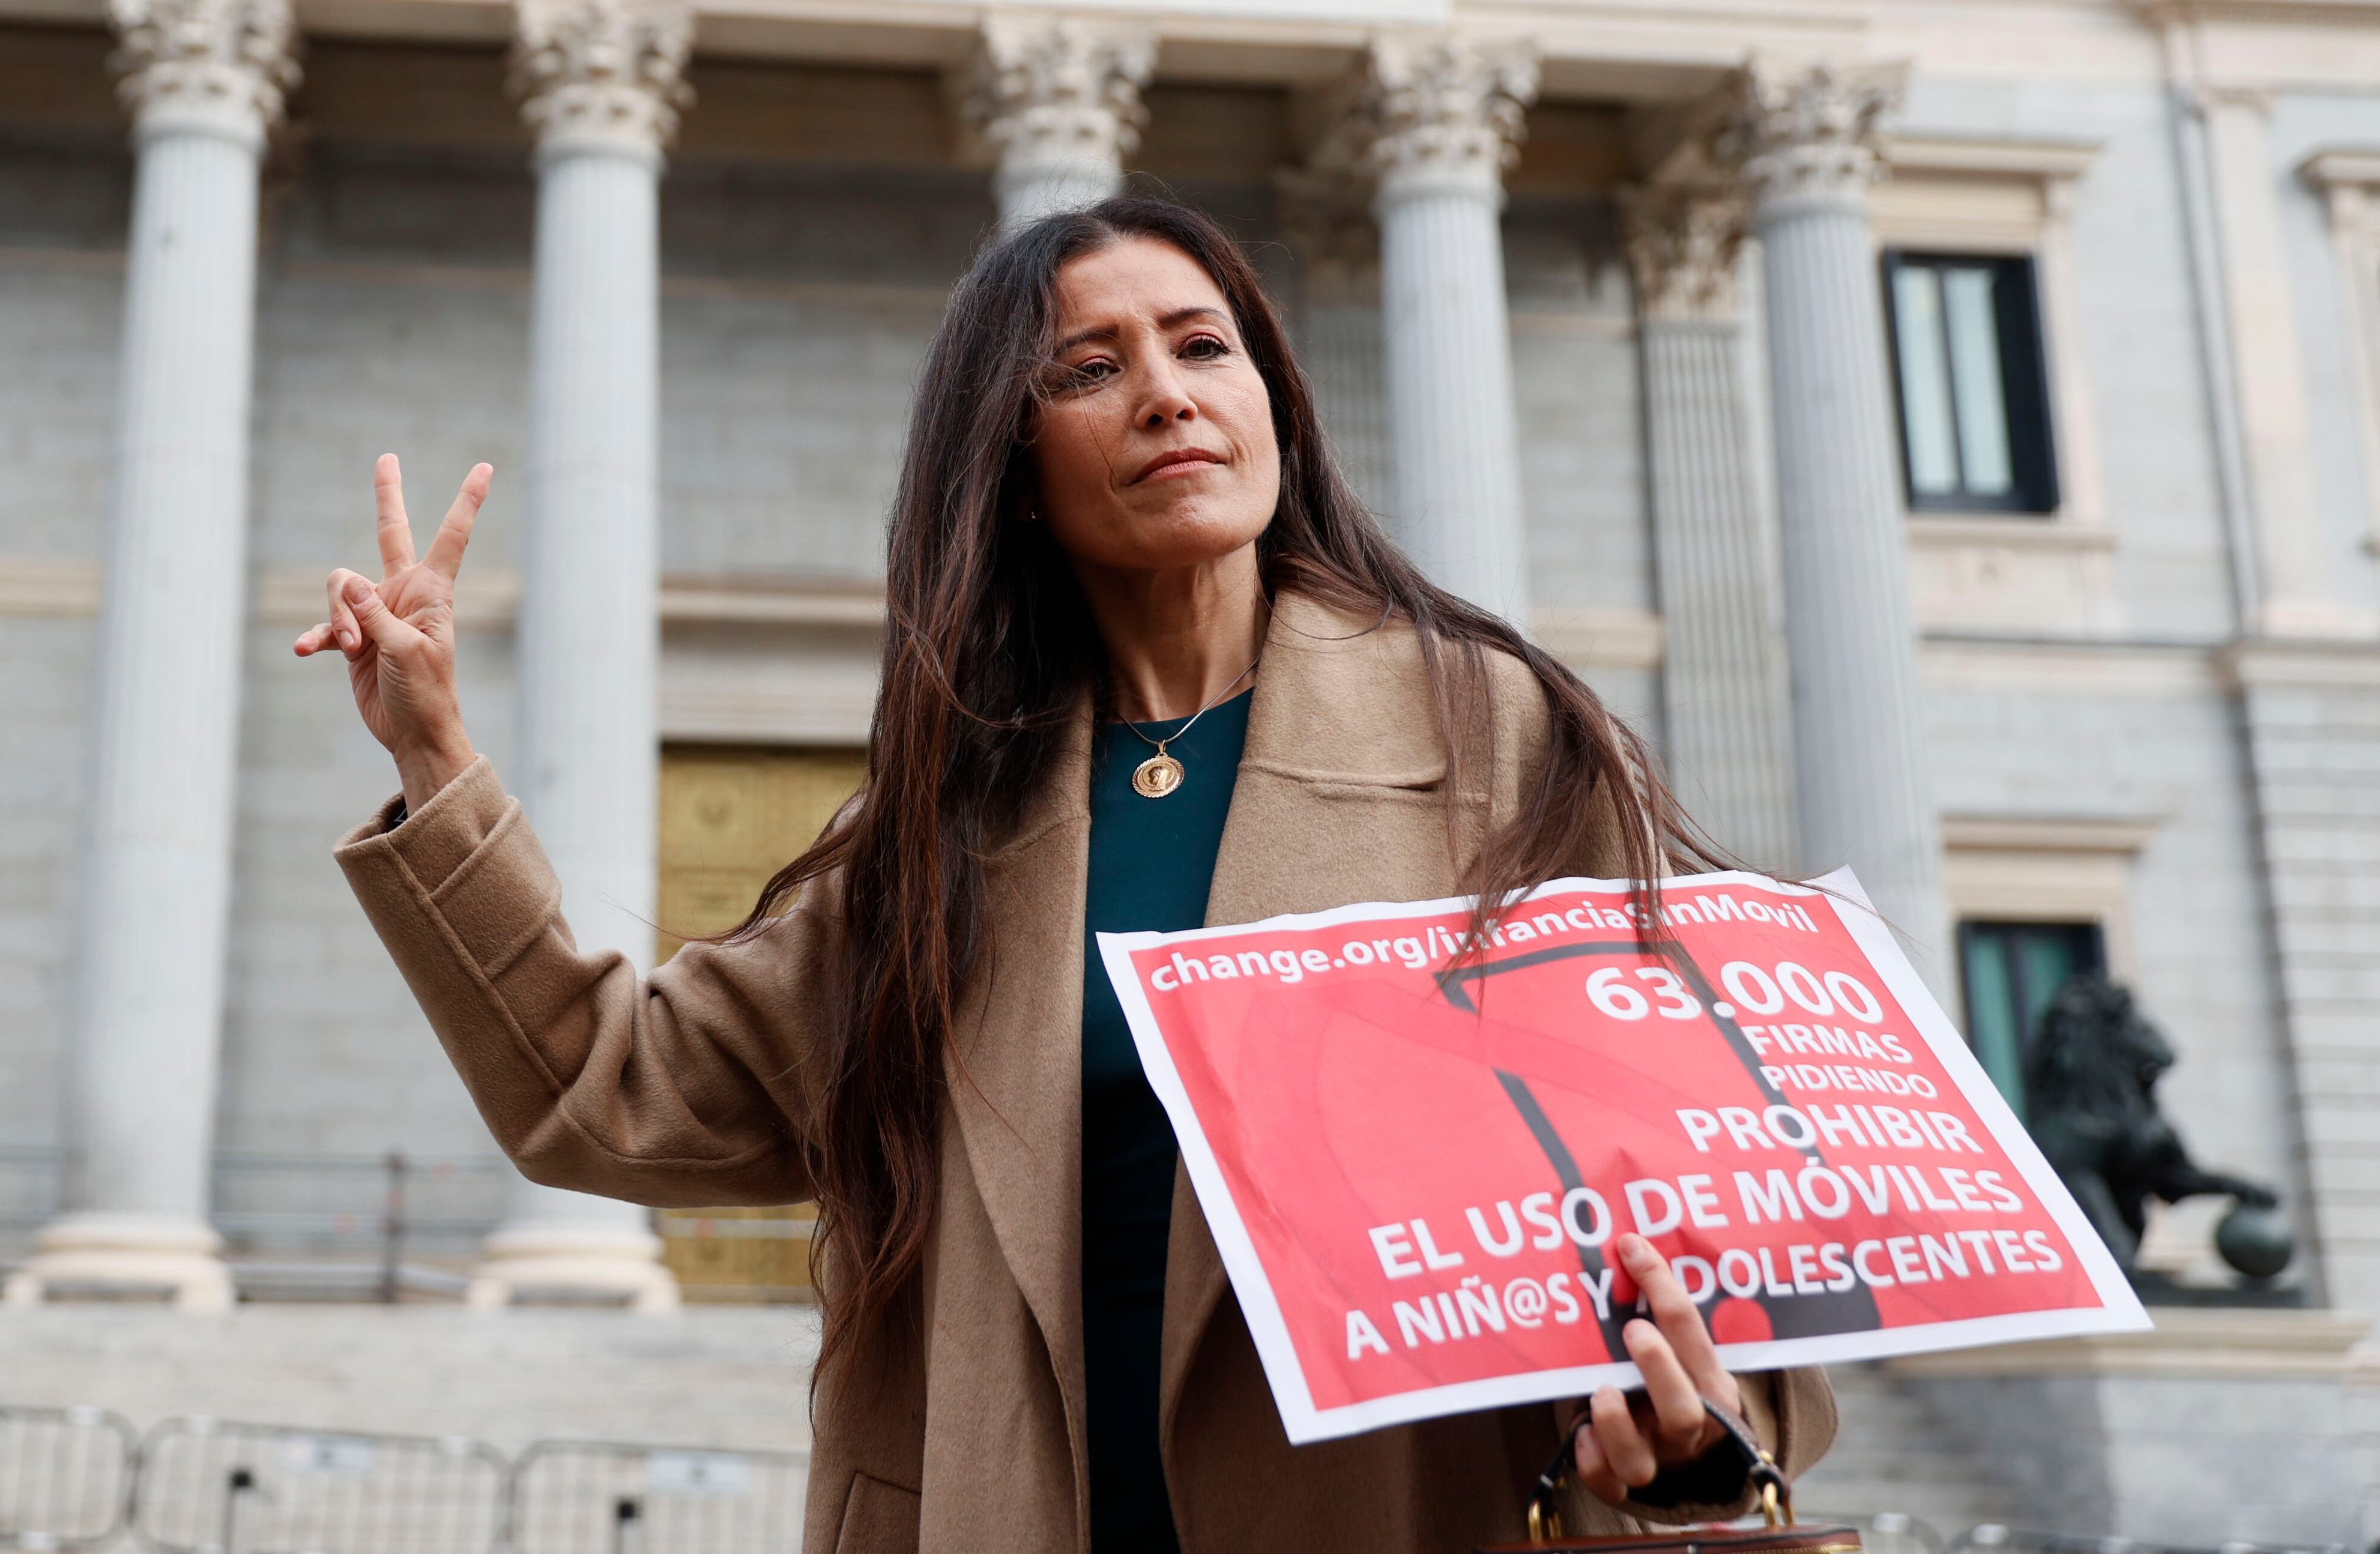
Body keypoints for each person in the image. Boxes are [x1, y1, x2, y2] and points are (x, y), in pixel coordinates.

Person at [298, 195, 1834, 1554]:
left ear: (1275, 405)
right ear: (1017, 465)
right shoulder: (941, 834)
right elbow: (608, 1082)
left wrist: (1700, 1423)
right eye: (1089, 371)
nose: (1165, 395)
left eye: (1202, 347)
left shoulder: (1502, 738)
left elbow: (1685, 1172)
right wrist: (435, 754)